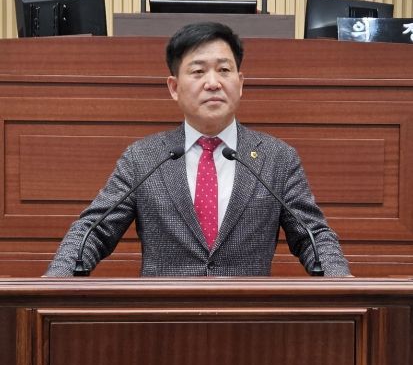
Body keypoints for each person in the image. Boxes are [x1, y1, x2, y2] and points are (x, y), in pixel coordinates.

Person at [45, 22, 350, 277]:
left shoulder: (277, 158)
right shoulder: (143, 158)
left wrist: (341, 283)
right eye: (198, 71)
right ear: (174, 87)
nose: (213, 83)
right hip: (165, 320)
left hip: (249, 320)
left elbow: (313, 237)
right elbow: (93, 231)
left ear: (240, 83)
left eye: (224, 70)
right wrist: (55, 282)